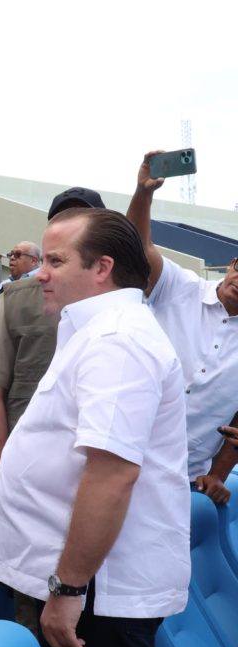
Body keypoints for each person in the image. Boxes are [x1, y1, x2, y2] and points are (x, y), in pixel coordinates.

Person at [0, 208, 189, 647]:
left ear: (102, 268)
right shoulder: (98, 331)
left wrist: (69, 589)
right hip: (90, 587)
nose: (40, 273)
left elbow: (112, 474)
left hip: (97, 594)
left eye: (55, 261)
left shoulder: (117, 340)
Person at [128, 151, 238, 504]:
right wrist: (144, 193)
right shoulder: (180, 287)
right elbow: (138, 249)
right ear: (232, 264)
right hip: (125, 459)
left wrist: (218, 474)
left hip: (185, 480)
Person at [0, 188, 104, 477]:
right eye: (64, 218)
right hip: (28, 465)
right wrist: (0, 473)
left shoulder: (124, 302)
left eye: (84, 218)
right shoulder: (14, 300)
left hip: (95, 462)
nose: (73, 227)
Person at [0, 240, 40, 324]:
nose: (12, 258)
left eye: (18, 254)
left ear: (33, 261)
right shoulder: (3, 286)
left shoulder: (42, 284)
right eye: (11, 254)